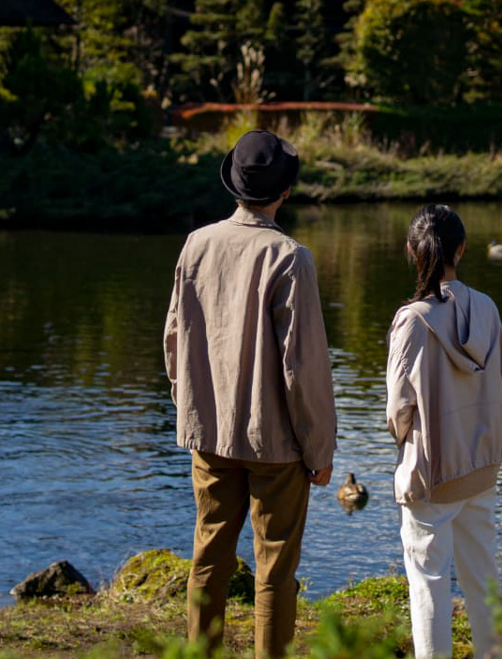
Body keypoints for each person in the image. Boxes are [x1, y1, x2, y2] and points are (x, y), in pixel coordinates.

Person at [164, 129, 337, 658]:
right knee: (275, 569)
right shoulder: (290, 257)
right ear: (284, 192)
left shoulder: (197, 244)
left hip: (210, 434)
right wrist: (319, 450)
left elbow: (173, 340)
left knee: (209, 556)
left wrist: (190, 408)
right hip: (275, 445)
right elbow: (302, 369)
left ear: (234, 186)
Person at [387, 204, 502, 659]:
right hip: (481, 463)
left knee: (429, 583)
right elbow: (501, 385)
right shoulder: (488, 308)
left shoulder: (412, 319)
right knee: (483, 575)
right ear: (461, 248)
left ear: (411, 252)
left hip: (431, 469)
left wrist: (404, 444)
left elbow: (399, 408)